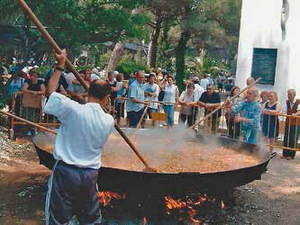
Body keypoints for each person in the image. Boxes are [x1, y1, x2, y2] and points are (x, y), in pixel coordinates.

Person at [44, 49, 114, 225]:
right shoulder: (109, 121)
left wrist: (60, 66)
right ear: (106, 98)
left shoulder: (72, 110)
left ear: (88, 91)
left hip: (66, 172)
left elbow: (49, 93)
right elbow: (98, 110)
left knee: (58, 219)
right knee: (90, 219)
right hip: (90, 175)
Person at [282, 89, 300, 159]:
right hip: (288, 122)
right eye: (288, 94)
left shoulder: (298, 101)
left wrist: (295, 114)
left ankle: (291, 155)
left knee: (293, 138)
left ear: (294, 95)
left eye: (290, 94)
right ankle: (285, 154)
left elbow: (299, 111)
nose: (288, 96)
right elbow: (284, 110)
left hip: (296, 123)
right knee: (286, 137)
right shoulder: (287, 102)